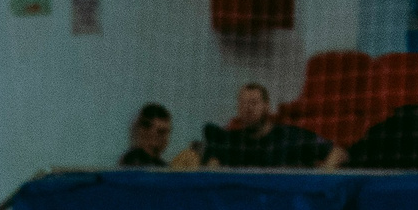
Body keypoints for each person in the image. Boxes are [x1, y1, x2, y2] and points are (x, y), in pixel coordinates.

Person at [202, 82, 347, 170]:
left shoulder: (290, 136)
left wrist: (320, 179)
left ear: (266, 106)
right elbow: (204, 157)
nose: (248, 108)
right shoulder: (231, 141)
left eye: (253, 103)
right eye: (243, 103)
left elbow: (337, 152)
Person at [117, 102, 201, 169]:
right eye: (161, 132)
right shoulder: (133, 162)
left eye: (167, 132)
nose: (165, 138)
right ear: (144, 131)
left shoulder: (158, 163)